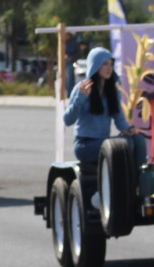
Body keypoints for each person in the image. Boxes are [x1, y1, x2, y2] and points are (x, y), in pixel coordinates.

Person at [63, 47, 147, 176]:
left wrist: (129, 129)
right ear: (95, 66)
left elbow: (119, 121)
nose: (109, 68)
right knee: (126, 144)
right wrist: (80, 98)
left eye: (111, 64)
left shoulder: (112, 91)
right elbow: (68, 120)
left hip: (104, 142)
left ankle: (139, 181)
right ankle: (132, 181)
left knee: (137, 139)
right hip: (85, 145)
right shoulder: (82, 88)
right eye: (105, 64)